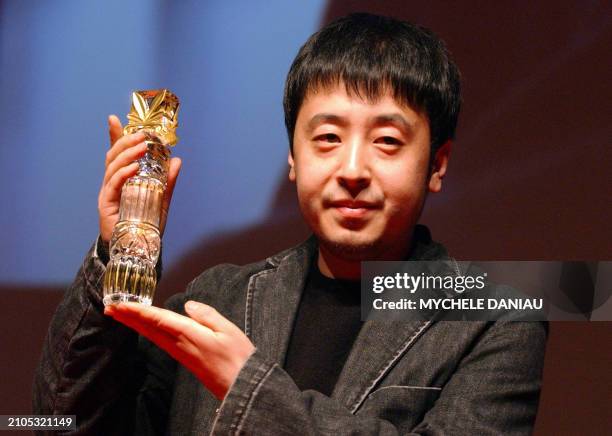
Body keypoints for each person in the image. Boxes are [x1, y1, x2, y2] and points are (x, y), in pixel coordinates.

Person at [33, 13, 547, 435]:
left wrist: (251, 390)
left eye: (387, 141)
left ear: (436, 164)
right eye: (326, 138)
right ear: (293, 160)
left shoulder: (495, 318)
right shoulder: (217, 298)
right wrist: (119, 249)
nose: (351, 170)